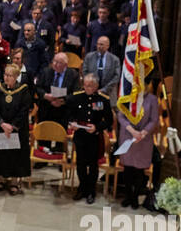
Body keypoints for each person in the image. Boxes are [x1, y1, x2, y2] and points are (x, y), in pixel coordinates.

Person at [68, 73, 114, 203]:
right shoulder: (77, 98)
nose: (87, 88)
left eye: (90, 86)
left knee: (93, 165)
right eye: (85, 85)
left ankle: (91, 190)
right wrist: (72, 123)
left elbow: (109, 120)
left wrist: (97, 127)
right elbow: (69, 113)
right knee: (81, 164)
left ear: (96, 86)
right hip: (80, 136)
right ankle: (82, 187)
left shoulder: (102, 100)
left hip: (94, 137)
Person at [115, 75, 160, 208]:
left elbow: (154, 119)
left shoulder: (152, 99)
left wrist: (143, 133)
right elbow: (121, 116)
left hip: (143, 139)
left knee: (139, 170)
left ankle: (135, 196)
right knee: (128, 168)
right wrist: (132, 131)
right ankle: (128, 195)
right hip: (128, 135)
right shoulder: (127, 96)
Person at [0, 64, 32, 195]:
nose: (6, 78)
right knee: (1, 153)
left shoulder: (24, 90)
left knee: (15, 155)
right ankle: (1, 179)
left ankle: (14, 181)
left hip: (17, 130)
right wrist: (1, 123)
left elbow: (24, 111)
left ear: (16, 77)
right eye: (5, 75)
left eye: (10, 76)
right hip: (1, 128)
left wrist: (12, 126)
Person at [35, 52, 78, 126]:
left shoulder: (73, 75)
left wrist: (63, 100)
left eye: (59, 63)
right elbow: (37, 88)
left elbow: (76, 93)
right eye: (54, 61)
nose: (55, 64)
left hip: (63, 111)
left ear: (65, 65)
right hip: (46, 110)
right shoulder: (46, 72)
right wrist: (45, 95)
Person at [15, 22, 50, 87]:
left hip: (36, 75)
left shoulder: (41, 44)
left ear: (34, 31)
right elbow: (15, 61)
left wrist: (38, 76)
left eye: (28, 30)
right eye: (24, 30)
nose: (26, 33)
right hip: (21, 75)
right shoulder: (19, 43)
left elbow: (45, 63)